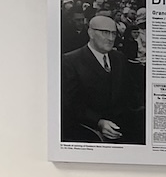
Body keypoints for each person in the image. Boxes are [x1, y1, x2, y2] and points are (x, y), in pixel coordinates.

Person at [60, 14, 144, 143]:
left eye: (114, 34)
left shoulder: (119, 58)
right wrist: (98, 122)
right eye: (105, 33)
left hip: (124, 126)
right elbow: (71, 103)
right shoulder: (70, 61)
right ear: (91, 33)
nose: (110, 38)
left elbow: (131, 91)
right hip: (90, 131)